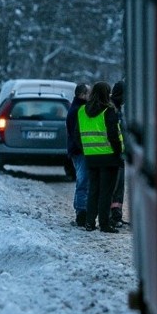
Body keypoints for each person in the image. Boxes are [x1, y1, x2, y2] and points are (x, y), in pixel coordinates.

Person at [75, 81, 124, 233]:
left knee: (93, 190)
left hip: (91, 157)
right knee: (106, 192)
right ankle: (104, 224)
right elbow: (113, 136)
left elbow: (77, 135)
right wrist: (118, 154)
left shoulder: (82, 110)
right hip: (109, 157)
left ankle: (90, 222)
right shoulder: (108, 111)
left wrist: (86, 150)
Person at [66, 83, 91, 226]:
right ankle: (81, 213)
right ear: (82, 95)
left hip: (76, 150)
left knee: (82, 181)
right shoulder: (78, 110)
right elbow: (77, 134)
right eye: (88, 93)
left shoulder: (75, 108)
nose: (90, 96)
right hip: (79, 151)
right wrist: (84, 148)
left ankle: (80, 210)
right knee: (83, 181)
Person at [110, 81, 126, 227]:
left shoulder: (119, 108)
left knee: (119, 186)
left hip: (120, 152)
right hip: (111, 152)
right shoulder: (111, 108)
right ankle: (111, 216)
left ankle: (116, 215)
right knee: (113, 186)